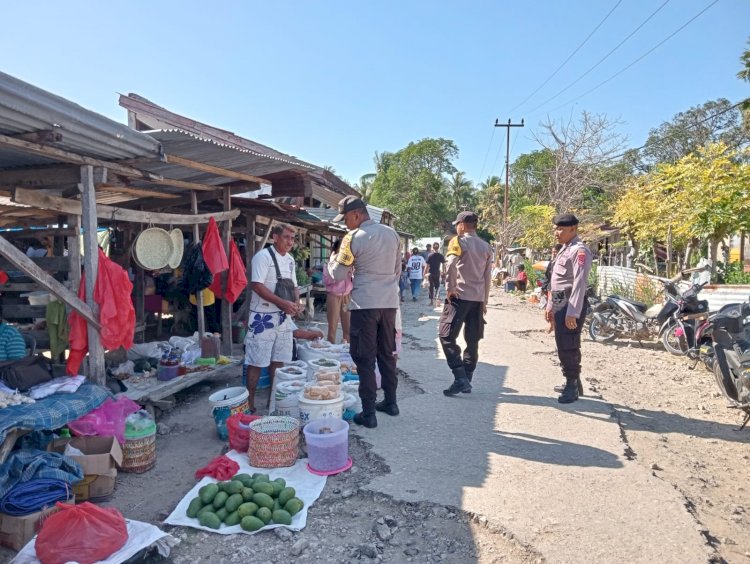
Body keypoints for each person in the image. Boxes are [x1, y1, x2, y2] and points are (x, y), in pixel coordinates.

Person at [327, 196, 401, 428]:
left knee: (365, 358)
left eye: (346, 218)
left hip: (364, 305)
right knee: (387, 355)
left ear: (357, 214)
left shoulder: (352, 238)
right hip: (389, 304)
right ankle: (391, 402)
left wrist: (332, 262)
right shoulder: (392, 234)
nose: (345, 223)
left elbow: (338, 275)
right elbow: (398, 269)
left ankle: (368, 413)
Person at [244, 223, 300, 413]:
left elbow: (294, 286)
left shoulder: (291, 260)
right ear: (275, 237)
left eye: (292, 239)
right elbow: (257, 286)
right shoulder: (263, 257)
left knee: (279, 361)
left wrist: (296, 303)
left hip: (283, 319)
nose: (290, 242)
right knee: (256, 361)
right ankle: (249, 403)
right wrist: (281, 303)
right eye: (286, 237)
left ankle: (272, 403)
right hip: (262, 318)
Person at [439, 211, 493, 396]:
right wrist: (484, 301)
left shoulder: (458, 241)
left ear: (462, 225)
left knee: (446, 336)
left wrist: (450, 287)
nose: (456, 227)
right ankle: (467, 379)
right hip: (477, 299)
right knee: (472, 340)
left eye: (457, 224)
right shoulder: (486, 246)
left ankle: (460, 377)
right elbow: (487, 277)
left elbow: (451, 264)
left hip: (460, 297)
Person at [544, 213, 593, 404]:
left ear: (573, 229)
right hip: (560, 302)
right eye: (556, 229)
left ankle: (572, 386)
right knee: (563, 343)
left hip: (571, 304)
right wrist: (550, 307)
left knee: (568, 345)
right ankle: (573, 382)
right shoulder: (565, 250)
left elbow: (579, 284)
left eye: (561, 229)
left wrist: (572, 312)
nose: (556, 233)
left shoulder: (580, 251)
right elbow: (556, 282)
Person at [323, 239, 352, 343]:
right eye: (341, 249)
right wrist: (336, 270)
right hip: (333, 296)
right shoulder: (329, 263)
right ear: (335, 250)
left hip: (347, 295)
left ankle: (346, 350)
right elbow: (327, 281)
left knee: (348, 327)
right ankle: (330, 349)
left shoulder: (349, 262)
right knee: (332, 326)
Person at [425, 242, 446, 306]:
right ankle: (438, 301)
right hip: (437, 273)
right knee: (437, 286)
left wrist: (425, 273)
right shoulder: (440, 255)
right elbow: (443, 264)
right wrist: (443, 272)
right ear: (438, 247)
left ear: (432, 247)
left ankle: (431, 302)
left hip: (431, 273)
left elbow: (427, 265)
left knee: (430, 287)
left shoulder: (430, 255)